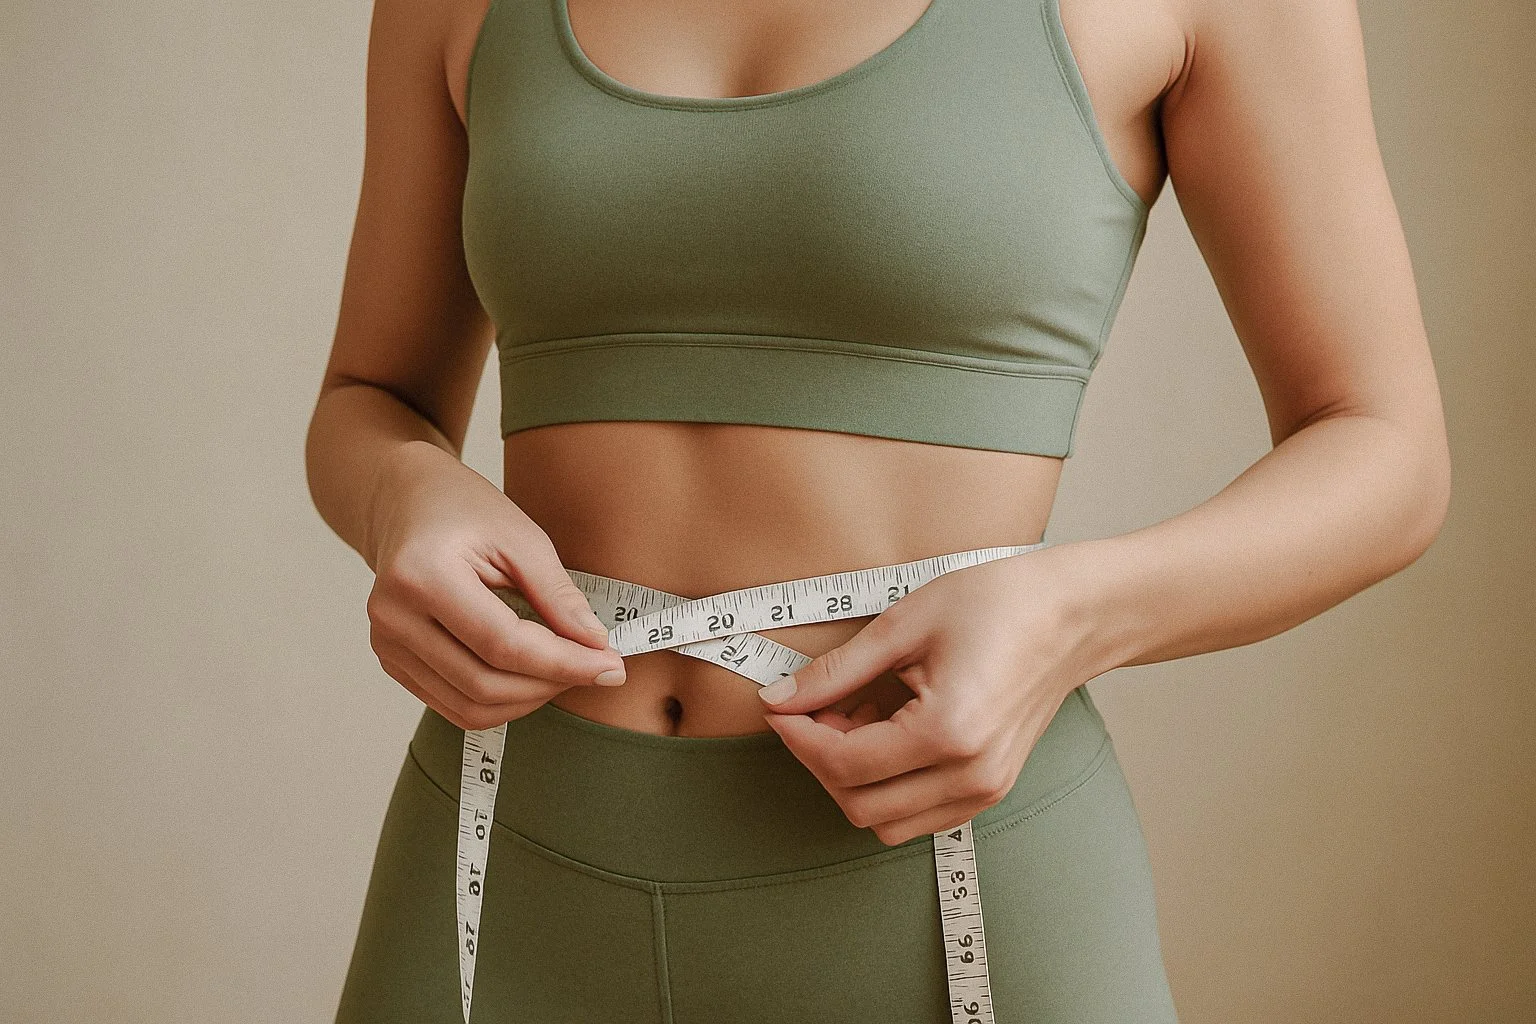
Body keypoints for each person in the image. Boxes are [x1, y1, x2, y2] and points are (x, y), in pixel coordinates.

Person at [305, 0, 1450, 1019]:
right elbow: (370, 398)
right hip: (510, 856)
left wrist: (1072, 614)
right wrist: (406, 493)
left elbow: (1385, 450)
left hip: (948, 868)